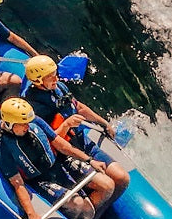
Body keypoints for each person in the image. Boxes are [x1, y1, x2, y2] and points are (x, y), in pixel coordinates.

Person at [0, 97, 115, 219]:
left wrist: (89, 160)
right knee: (77, 203)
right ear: (10, 124)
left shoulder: (35, 121)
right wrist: (31, 214)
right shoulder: (2, 146)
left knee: (89, 213)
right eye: (23, 124)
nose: (27, 126)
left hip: (57, 166)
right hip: (39, 179)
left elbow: (61, 145)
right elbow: (18, 184)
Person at [21, 55, 130, 201]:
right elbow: (48, 142)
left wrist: (104, 122)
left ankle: (103, 209)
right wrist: (66, 125)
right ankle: (92, 217)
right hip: (66, 153)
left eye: (55, 74)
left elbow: (78, 106)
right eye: (50, 76)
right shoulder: (35, 106)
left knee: (122, 178)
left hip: (82, 142)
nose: (56, 78)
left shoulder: (59, 87)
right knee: (106, 185)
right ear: (38, 80)